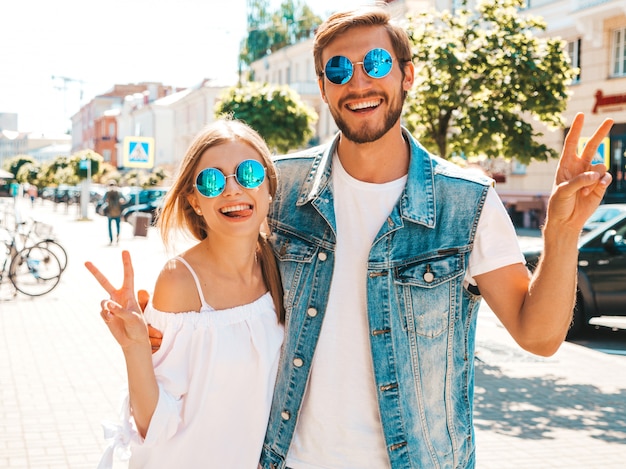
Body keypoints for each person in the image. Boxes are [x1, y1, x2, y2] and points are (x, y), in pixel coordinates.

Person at [147, 7, 613, 468]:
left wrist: (563, 230)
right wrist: (169, 330)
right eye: (337, 69)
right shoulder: (282, 187)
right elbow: (222, 265)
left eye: (375, 64)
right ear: (325, 89)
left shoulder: (465, 204)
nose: (358, 83)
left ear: (407, 76)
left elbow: (540, 337)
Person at [85, 119, 285, 468]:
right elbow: (155, 425)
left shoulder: (283, 267)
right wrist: (134, 348)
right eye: (212, 180)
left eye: (249, 174)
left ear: (268, 184)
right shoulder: (180, 281)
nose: (233, 190)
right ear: (193, 199)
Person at [102, 181, 126, 245]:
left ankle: (117, 237)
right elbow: (103, 200)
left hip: (117, 212)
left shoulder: (118, 193)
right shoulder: (108, 193)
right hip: (110, 212)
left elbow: (125, 200)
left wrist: (122, 201)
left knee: (117, 226)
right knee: (110, 227)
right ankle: (111, 239)